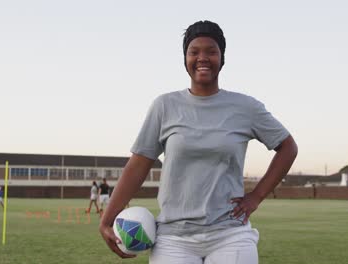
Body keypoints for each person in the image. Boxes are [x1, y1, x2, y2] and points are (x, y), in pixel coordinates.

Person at [99, 20, 298, 264]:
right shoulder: (165, 106)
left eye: (211, 51)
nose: (202, 58)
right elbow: (139, 164)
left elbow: (287, 147)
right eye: (194, 52)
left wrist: (255, 197)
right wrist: (107, 219)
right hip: (173, 238)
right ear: (185, 59)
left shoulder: (246, 107)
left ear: (222, 58)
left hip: (230, 233)